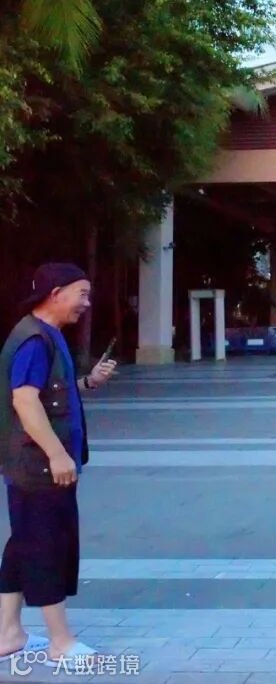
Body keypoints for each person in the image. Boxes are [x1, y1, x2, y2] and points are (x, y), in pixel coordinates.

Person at [0, 263, 117, 663]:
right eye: (81, 293)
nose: (87, 303)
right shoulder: (35, 340)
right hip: (38, 468)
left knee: (23, 543)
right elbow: (24, 400)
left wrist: (89, 382)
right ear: (55, 293)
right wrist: (55, 453)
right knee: (47, 546)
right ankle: (60, 643)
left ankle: (8, 634)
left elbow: (50, 393)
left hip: (31, 467)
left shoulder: (45, 336)